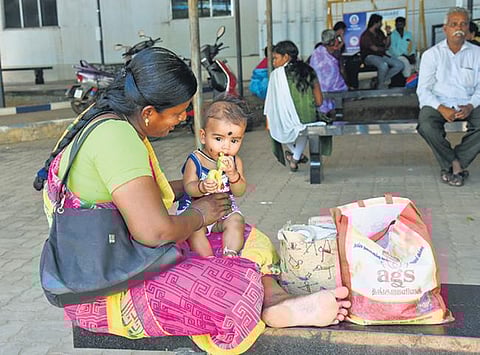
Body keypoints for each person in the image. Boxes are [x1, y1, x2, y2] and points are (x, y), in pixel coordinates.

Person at [37, 46, 351, 353]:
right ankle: (266, 301)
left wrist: (195, 187)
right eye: (176, 113)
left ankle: (277, 301)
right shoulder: (116, 137)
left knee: (250, 239)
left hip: (120, 256)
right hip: (107, 286)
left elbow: (138, 195)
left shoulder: (110, 122)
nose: (181, 119)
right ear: (148, 113)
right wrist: (201, 213)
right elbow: (154, 232)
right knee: (238, 286)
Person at [416, 7, 480, 187]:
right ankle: (455, 164)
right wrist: (441, 108)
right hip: (439, 104)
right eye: (454, 24)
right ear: (445, 29)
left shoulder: (477, 54)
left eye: (463, 24)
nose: (458, 28)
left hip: (468, 103)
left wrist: (470, 105)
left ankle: (454, 162)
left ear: (468, 28)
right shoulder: (431, 55)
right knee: (426, 124)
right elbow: (423, 91)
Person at [177, 97, 247, 257]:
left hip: (223, 211)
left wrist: (233, 175)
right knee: (194, 231)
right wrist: (201, 187)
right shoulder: (196, 159)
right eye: (218, 139)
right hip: (196, 212)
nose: (226, 146)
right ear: (203, 136)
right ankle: (207, 260)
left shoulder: (236, 162)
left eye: (234, 140)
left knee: (236, 220)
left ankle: (230, 254)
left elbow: (239, 191)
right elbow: (188, 186)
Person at [264, 40, 323, 172]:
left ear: (286, 57)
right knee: (302, 128)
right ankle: (295, 158)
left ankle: (295, 157)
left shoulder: (276, 75)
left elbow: (271, 103)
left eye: (275, 58)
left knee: (278, 127)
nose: (273, 62)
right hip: (309, 117)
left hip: (286, 119)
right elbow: (319, 101)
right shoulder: (309, 70)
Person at [309, 29, 348, 118]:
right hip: (333, 89)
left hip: (319, 89)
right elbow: (342, 71)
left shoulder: (316, 52)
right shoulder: (334, 54)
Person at [360, 13, 404, 89]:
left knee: (400, 65)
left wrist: (388, 34)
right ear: (375, 23)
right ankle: (380, 86)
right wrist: (384, 49)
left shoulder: (379, 32)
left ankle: (379, 80)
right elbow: (375, 49)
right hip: (369, 57)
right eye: (380, 22)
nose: (382, 24)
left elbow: (387, 45)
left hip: (381, 55)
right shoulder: (366, 35)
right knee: (383, 65)